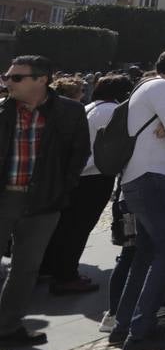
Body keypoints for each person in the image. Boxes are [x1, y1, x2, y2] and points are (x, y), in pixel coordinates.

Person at [0, 56, 91, 347]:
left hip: (43, 201)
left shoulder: (70, 112)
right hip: (4, 196)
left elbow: (78, 154)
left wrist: (62, 189)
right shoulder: (2, 110)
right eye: (7, 76)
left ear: (41, 80)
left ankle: (7, 326)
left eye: (16, 77)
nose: (7, 82)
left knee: (26, 267)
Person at [111, 49, 165, 350]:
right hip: (154, 179)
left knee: (145, 254)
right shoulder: (163, 88)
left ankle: (124, 326)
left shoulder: (145, 87)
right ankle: (141, 333)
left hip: (141, 178)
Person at [40, 73, 132, 295]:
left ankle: (52, 267)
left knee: (66, 226)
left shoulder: (92, 106)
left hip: (80, 174)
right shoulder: (112, 111)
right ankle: (66, 275)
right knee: (78, 228)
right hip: (94, 175)